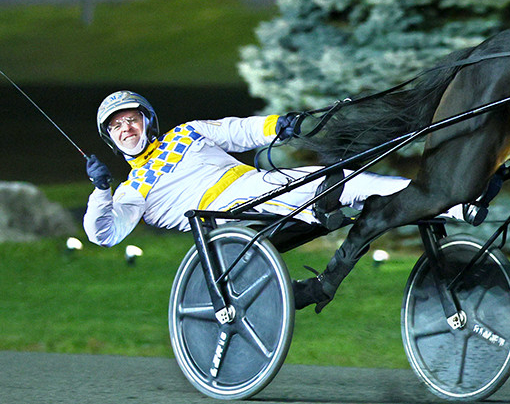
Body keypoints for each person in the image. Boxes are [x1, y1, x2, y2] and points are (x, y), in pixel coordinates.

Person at [84, 90, 473, 310]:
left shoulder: (185, 133)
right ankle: (441, 202)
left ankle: (451, 203)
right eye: (116, 126)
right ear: (111, 139)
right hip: (229, 220)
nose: (126, 128)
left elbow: (238, 131)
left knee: (352, 180)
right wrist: (102, 191)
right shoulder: (132, 190)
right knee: (341, 184)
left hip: (259, 186)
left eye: (131, 119)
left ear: (147, 120)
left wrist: (279, 125)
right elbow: (105, 234)